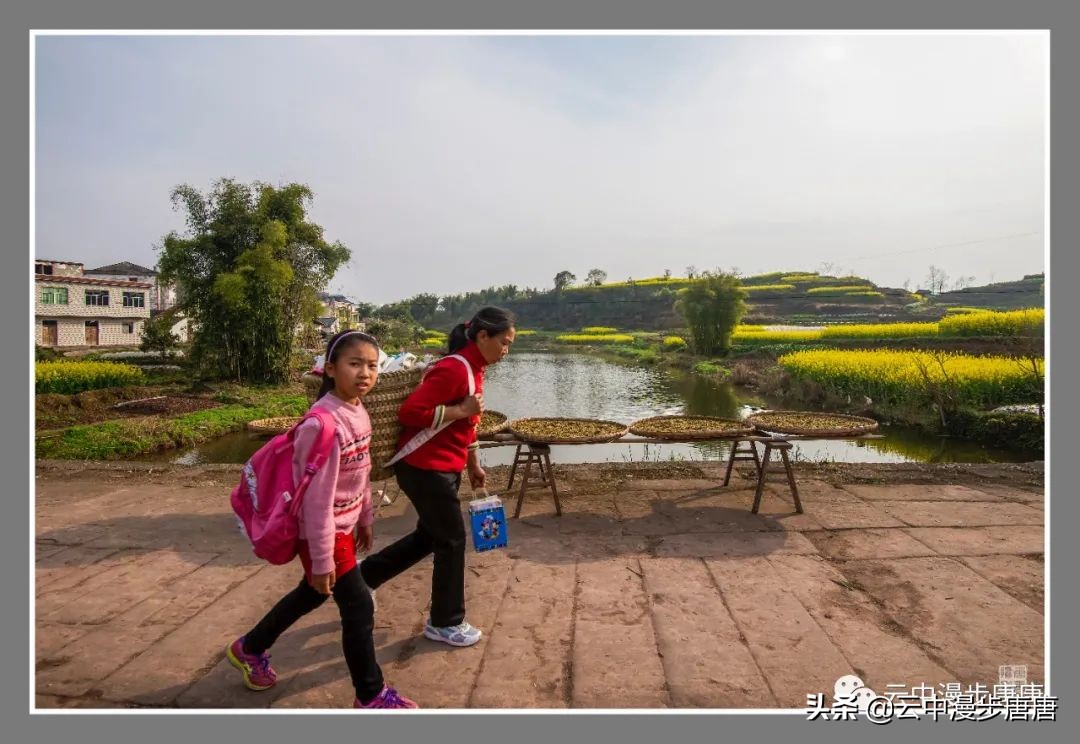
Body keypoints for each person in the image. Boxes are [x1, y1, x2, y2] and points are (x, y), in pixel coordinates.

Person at [225, 329, 418, 709]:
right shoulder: (322, 425)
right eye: (354, 364)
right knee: (358, 606)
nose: (365, 373)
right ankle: (371, 694)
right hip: (323, 531)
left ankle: (250, 647)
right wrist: (322, 558)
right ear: (330, 369)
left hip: (342, 526)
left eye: (372, 366)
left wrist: (365, 515)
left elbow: (361, 471)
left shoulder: (358, 410)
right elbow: (316, 503)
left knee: (313, 592)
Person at [359, 306, 516, 647]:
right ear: (482, 336)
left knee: (430, 536)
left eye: (509, 345)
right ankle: (445, 621)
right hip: (424, 467)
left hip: (443, 466)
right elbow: (411, 412)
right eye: (503, 342)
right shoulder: (454, 368)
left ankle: (365, 576)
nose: (506, 350)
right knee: (452, 540)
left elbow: (467, 423)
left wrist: (473, 464)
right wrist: (460, 409)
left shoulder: (474, 368)